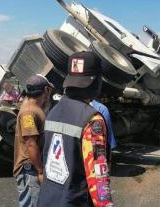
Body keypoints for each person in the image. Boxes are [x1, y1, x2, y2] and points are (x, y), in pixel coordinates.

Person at [38, 51, 113, 207]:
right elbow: (98, 176)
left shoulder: (53, 112)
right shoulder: (92, 121)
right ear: (96, 82)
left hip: (48, 200)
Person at [13, 74, 54, 207]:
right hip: (30, 169)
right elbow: (31, 143)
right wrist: (40, 171)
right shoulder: (29, 113)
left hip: (33, 167)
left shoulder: (35, 109)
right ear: (46, 90)